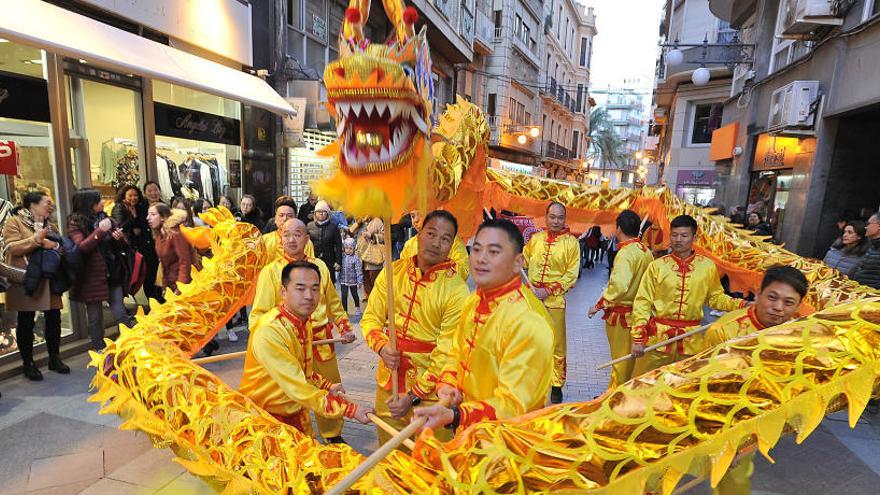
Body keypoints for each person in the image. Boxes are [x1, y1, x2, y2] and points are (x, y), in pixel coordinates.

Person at [413, 219, 554, 431]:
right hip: (468, 433)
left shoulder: (529, 320)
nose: (481, 259)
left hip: (506, 446)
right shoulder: (473, 301)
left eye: (494, 252)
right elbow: (456, 351)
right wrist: (448, 385)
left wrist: (457, 415)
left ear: (518, 262)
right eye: (476, 250)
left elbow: (514, 405)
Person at [696, 265, 808, 495]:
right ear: (758, 293)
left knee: (735, 482)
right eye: (772, 297)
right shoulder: (724, 331)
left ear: (798, 306)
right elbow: (702, 383)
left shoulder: (797, 338)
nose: (778, 308)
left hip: (755, 419)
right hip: (717, 414)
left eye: (789, 303)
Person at [361, 210, 470, 444]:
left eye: (445, 239)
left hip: (432, 396)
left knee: (430, 464)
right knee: (389, 458)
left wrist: (412, 396)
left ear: (452, 245)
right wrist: (381, 347)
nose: (436, 243)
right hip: (389, 382)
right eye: (431, 233)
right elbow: (370, 319)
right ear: (418, 235)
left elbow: (448, 351)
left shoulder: (457, 289)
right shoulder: (393, 272)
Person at [249, 218, 355, 443]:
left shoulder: (320, 267)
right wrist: (269, 345)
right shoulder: (271, 272)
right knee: (293, 392)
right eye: (286, 234)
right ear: (280, 238)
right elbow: (257, 316)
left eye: (298, 234)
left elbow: (334, 303)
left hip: (320, 341)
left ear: (307, 238)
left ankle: (332, 433)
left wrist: (344, 328)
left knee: (327, 386)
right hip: (286, 343)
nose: (292, 239)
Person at [239, 260, 372, 435]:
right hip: (264, 423)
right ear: (283, 292)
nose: (309, 295)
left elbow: (302, 371)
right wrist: (350, 409)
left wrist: (326, 385)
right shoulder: (270, 331)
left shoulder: (303, 321)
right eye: (300, 288)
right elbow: (298, 386)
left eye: (315, 289)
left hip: (296, 415)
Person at [630, 214, 748, 376]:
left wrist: (740, 304)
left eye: (684, 235)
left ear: (694, 237)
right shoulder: (657, 267)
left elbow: (715, 297)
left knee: (682, 388)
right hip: (658, 340)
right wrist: (638, 337)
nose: (678, 239)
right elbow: (642, 302)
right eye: (674, 235)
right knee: (643, 385)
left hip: (691, 342)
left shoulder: (707, 267)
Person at [2, 192, 67, 379]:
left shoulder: (51, 225)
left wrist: (52, 246)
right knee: (26, 321)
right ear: (33, 204)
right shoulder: (14, 222)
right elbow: (12, 247)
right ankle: (28, 363)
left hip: (49, 278)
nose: (51, 206)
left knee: (54, 318)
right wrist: (36, 240)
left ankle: (54, 358)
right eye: (47, 202)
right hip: (26, 279)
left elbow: (61, 247)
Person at [588, 210, 654, 389]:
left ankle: (614, 396)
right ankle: (621, 391)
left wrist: (599, 304)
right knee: (629, 361)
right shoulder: (645, 250)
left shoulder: (625, 254)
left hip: (624, 317)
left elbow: (619, 286)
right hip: (641, 315)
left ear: (619, 229)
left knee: (620, 361)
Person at [522, 202, 580, 403]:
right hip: (531, 302)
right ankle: (530, 380)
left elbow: (571, 275)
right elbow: (524, 261)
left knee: (557, 345)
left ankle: (556, 385)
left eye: (560, 217)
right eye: (552, 217)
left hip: (555, 302)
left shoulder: (572, 243)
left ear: (565, 219)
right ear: (545, 217)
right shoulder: (535, 239)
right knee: (530, 341)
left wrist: (546, 290)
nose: (556, 221)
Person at [67, 189, 134, 350]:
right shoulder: (75, 223)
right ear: (89, 204)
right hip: (91, 276)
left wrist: (119, 239)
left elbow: (122, 244)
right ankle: (99, 349)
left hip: (112, 272)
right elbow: (82, 247)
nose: (103, 203)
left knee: (120, 312)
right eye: (99, 201)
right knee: (95, 317)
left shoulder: (106, 218)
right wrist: (100, 231)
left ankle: (130, 344)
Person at [112, 185, 161, 302]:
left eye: (135, 195)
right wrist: (134, 221)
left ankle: (157, 300)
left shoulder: (137, 207)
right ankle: (152, 301)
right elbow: (122, 227)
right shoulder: (123, 208)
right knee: (144, 275)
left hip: (145, 246)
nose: (133, 198)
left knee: (155, 274)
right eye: (130, 195)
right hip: (131, 247)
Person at [398, 212, 470, 281]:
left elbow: (463, 272)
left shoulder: (452, 242)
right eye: (413, 216)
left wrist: (439, 266)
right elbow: (402, 273)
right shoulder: (409, 244)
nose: (415, 220)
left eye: (421, 214)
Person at [261, 196, 314, 262]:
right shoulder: (265, 241)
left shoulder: (305, 242)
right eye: (281, 215)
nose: (285, 219)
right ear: (275, 219)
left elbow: (310, 268)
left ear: (295, 218)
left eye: (289, 215)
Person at [308, 200, 342, 283]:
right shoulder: (309, 226)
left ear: (327, 213)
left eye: (324, 211)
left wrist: (338, 261)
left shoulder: (333, 227)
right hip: (313, 260)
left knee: (329, 282)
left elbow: (338, 245)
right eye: (319, 211)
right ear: (315, 213)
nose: (321, 213)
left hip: (329, 261)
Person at [359, 217, 385, 297]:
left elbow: (384, 237)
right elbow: (351, 232)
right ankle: (370, 300)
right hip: (362, 258)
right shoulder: (360, 221)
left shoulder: (378, 221)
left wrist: (372, 236)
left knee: (376, 283)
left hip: (374, 258)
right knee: (366, 283)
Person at [853, 212, 880, 289]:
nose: (866, 227)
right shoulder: (872, 245)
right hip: (860, 292)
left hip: (871, 296)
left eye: (868, 224)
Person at [339, 237, 363, 316]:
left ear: (353, 248)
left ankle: (357, 308)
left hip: (353, 281)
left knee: (354, 294)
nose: (348, 250)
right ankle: (345, 310)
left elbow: (358, 270)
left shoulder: (355, 258)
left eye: (350, 248)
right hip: (343, 280)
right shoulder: (342, 257)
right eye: (346, 248)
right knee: (344, 295)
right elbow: (339, 267)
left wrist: (360, 281)